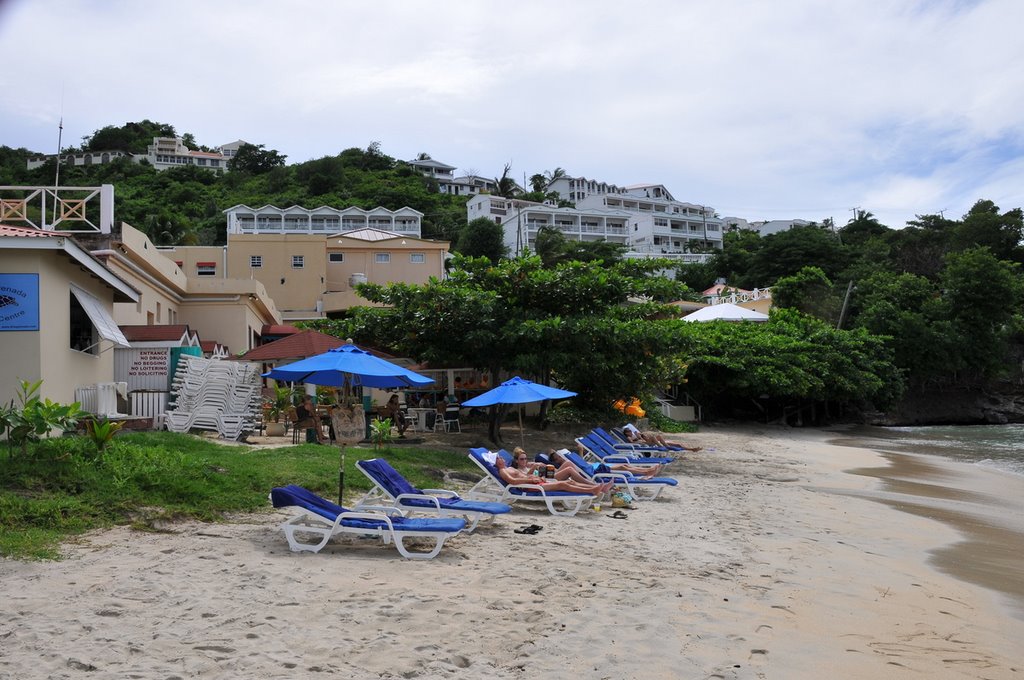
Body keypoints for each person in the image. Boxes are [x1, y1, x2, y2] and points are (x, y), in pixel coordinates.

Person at [495, 453, 612, 496]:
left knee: (569, 482)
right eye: (498, 458)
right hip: (530, 486)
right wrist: (530, 480)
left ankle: (596, 488)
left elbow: (521, 476)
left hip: (535, 481)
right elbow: (513, 482)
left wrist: (533, 476)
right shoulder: (503, 471)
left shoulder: (509, 467)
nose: (501, 458)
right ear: (496, 462)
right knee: (563, 485)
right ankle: (592, 490)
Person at [558, 446, 666, 479]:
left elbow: (582, 464)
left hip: (595, 468)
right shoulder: (566, 464)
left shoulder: (570, 462)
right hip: (595, 471)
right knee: (623, 467)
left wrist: (580, 451)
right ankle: (647, 472)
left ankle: (647, 471)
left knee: (625, 465)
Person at [511, 447, 594, 484]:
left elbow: (539, 468)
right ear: (516, 461)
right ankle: (589, 483)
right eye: (522, 459)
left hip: (549, 475)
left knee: (568, 463)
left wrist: (541, 466)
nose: (524, 461)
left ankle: (584, 480)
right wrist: (534, 467)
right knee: (569, 469)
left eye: (525, 458)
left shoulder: (528, 465)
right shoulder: (517, 470)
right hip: (546, 480)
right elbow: (526, 478)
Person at [622, 423, 701, 451]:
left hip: (646, 441)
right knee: (654, 437)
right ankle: (663, 446)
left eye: (630, 431)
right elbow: (632, 442)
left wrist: (640, 436)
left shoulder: (633, 434)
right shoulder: (629, 437)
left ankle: (692, 449)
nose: (630, 432)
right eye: (628, 432)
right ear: (626, 433)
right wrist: (639, 439)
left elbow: (640, 436)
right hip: (643, 443)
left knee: (678, 445)